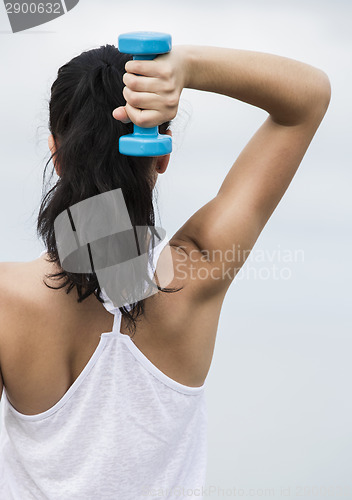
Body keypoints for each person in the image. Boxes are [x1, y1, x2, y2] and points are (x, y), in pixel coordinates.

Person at [0, 42, 331, 499]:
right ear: (162, 153)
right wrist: (185, 67)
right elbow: (308, 98)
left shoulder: (4, 302)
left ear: (55, 152)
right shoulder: (196, 272)